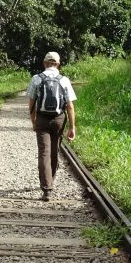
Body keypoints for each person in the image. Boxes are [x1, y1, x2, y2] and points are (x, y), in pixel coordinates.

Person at [27, 51, 77, 201]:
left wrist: (34, 121)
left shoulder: (36, 79)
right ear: (58, 64)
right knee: (54, 152)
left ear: (44, 63)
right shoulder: (64, 80)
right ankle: (51, 180)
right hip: (58, 120)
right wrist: (72, 127)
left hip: (42, 119)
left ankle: (46, 188)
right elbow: (70, 106)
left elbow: (31, 103)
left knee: (44, 153)